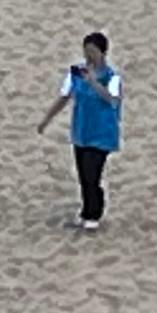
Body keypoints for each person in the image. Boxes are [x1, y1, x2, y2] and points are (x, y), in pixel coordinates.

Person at [38, 31, 123, 229]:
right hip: (81, 133)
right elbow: (64, 96)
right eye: (86, 52)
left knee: (92, 173)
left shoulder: (113, 77)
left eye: (93, 52)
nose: (88, 56)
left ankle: (93, 214)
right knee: (83, 175)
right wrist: (47, 119)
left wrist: (93, 82)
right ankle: (87, 211)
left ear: (103, 53)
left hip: (102, 134)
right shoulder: (76, 72)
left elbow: (112, 99)